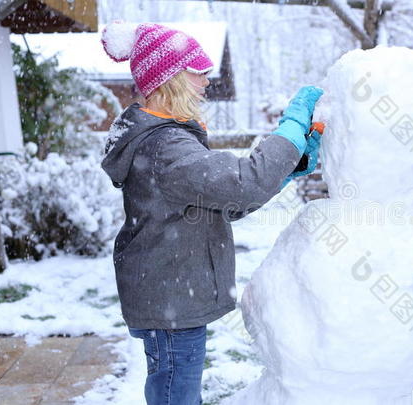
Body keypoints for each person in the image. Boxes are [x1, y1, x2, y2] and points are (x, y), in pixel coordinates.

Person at [100, 21, 324, 405]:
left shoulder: (166, 140)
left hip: (168, 295)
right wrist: (291, 126)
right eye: (197, 71)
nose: (206, 80)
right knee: (176, 394)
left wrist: (288, 167)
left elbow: (224, 202)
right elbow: (243, 182)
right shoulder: (165, 146)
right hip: (169, 299)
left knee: (175, 388)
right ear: (169, 77)